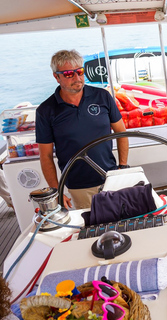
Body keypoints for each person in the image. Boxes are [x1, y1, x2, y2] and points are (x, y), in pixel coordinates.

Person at [36, 50, 129, 209]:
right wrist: (56, 191)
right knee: (94, 229)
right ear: (56, 77)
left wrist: (123, 167)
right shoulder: (45, 111)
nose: (77, 78)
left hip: (111, 177)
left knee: (122, 221)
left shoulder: (102, 96)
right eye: (68, 74)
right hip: (79, 186)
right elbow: (45, 156)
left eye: (80, 72)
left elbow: (121, 133)